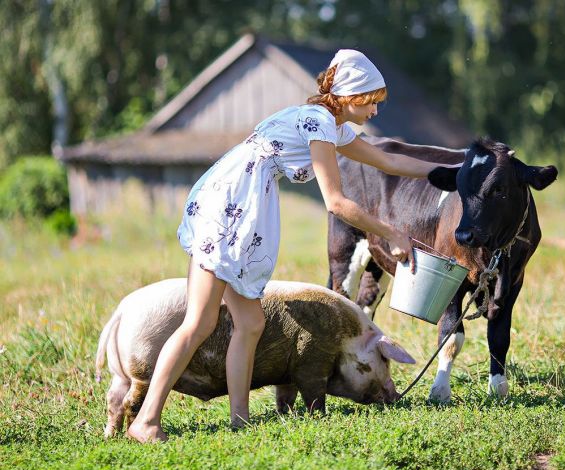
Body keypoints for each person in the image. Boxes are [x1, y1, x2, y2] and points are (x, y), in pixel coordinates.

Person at [126, 49, 451, 443]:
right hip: (232, 206)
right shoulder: (317, 121)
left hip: (240, 202)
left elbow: (387, 161)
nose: (376, 112)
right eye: (372, 102)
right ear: (350, 96)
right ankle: (146, 421)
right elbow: (335, 202)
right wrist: (392, 233)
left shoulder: (332, 127)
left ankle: (240, 421)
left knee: (250, 323)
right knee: (199, 322)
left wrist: (453, 170)